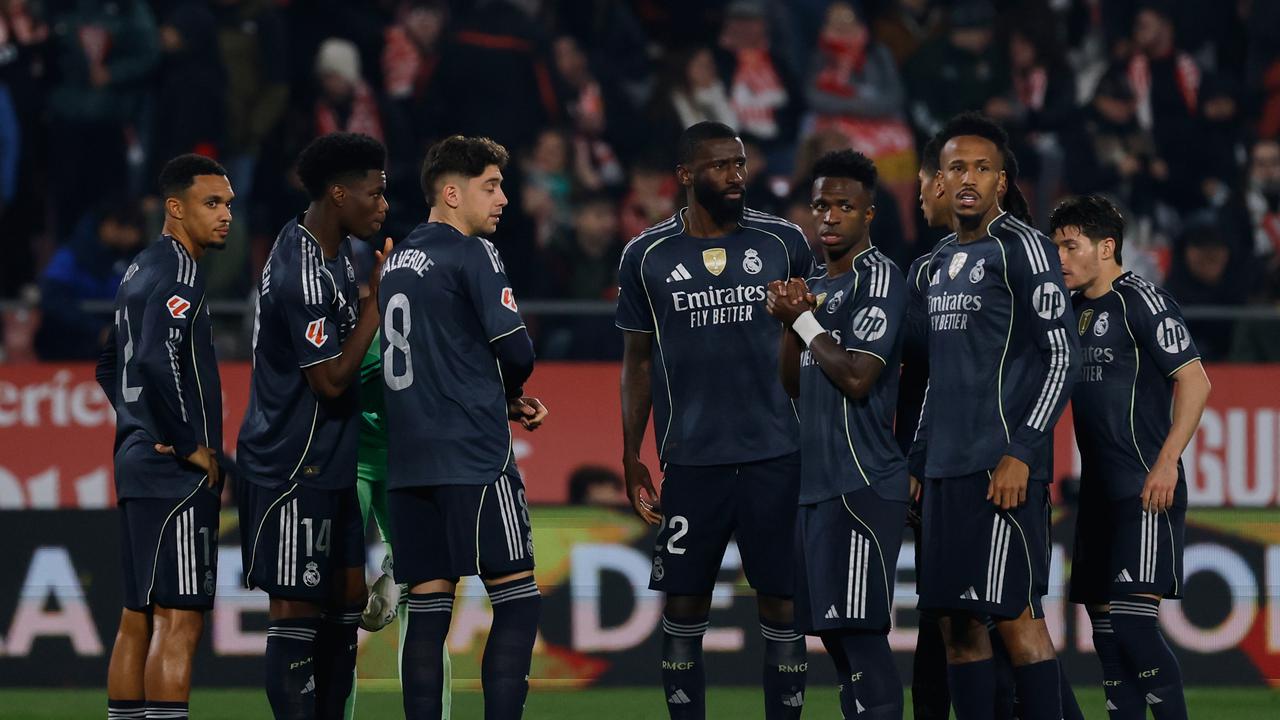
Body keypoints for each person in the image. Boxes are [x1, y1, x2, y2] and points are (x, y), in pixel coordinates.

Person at [616, 121, 816, 720]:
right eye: (721, 165)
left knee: (782, 604)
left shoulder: (784, 242)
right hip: (692, 460)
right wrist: (631, 455)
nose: (736, 175)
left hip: (776, 454)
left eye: (740, 163)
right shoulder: (645, 255)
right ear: (685, 175)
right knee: (683, 607)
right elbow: (637, 362)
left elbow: (813, 342)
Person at [908, 113, 1080, 720]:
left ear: (1001, 182)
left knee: (1017, 621)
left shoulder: (1023, 248)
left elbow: (1063, 354)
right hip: (944, 473)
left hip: (1001, 469)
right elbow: (936, 378)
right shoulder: (933, 265)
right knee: (957, 626)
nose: (968, 179)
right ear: (940, 179)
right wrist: (917, 461)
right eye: (957, 167)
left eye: (983, 168)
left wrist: (1022, 452)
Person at [380, 135, 549, 720]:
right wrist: (509, 392)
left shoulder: (396, 261)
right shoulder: (473, 252)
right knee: (518, 601)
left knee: (428, 614)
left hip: (409, 463)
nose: (503, 198)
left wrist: (495, 393)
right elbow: (517, 349)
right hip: (473, 455)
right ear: (451, 193)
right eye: (491, 186)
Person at [236, 132, 390, 720]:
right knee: (297, 609)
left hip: (332, 459)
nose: (383, 206)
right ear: (339, 193)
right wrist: (375, 303)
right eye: (374, 194)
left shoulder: (334, 255)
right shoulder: (301, 269)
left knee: (348, 600)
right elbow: (328, 380)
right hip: (291, 464)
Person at [1051, 194, 1210, 720]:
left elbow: (1195, 381)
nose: (1061, 259)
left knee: (1135, 628)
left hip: (1143, 489)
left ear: (1106, 247)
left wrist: (1167, 463)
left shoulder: (1143, 300)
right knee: (1107, 639)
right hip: (1097, 495)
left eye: (1071, 247)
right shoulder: (1072, 310)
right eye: (1056, 249)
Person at [768, 149, 909, 719]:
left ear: (868, 214)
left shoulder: (879, 277)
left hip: (862, 483)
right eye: (821, 205)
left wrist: (801, 319)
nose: (828, 216)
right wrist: (792, 322)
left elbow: (857, 376)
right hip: (818, 486)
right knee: (835, 639)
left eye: (844, 207)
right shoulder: (816, 285)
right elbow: (792, 384)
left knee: (861, 638)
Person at [98, 154, 233, 720]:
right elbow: (156, 357)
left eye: (228, 203)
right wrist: (184, 441)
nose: (225, 215)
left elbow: (109, 364)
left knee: (137, 617)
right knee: (180, 621)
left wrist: (139, 423)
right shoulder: (181, 270)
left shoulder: (140, 267)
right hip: (172, 475)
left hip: (135, 460)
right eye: (212, 203)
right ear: (175, 208)